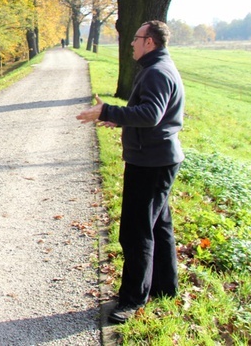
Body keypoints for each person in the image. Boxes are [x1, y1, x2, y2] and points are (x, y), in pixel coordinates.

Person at [76, 20, 184, 324]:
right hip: (156, 158)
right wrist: (119, 118)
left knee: (136, 232)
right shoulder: (156, 68)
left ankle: (133, 299)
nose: (131, 44)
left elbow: (151, 115)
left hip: (151, 163)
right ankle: (164, 286)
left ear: (149, 41)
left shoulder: (157, 72)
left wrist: (108, 111)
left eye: (136, 39)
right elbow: (149, 113)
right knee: (158, 225)